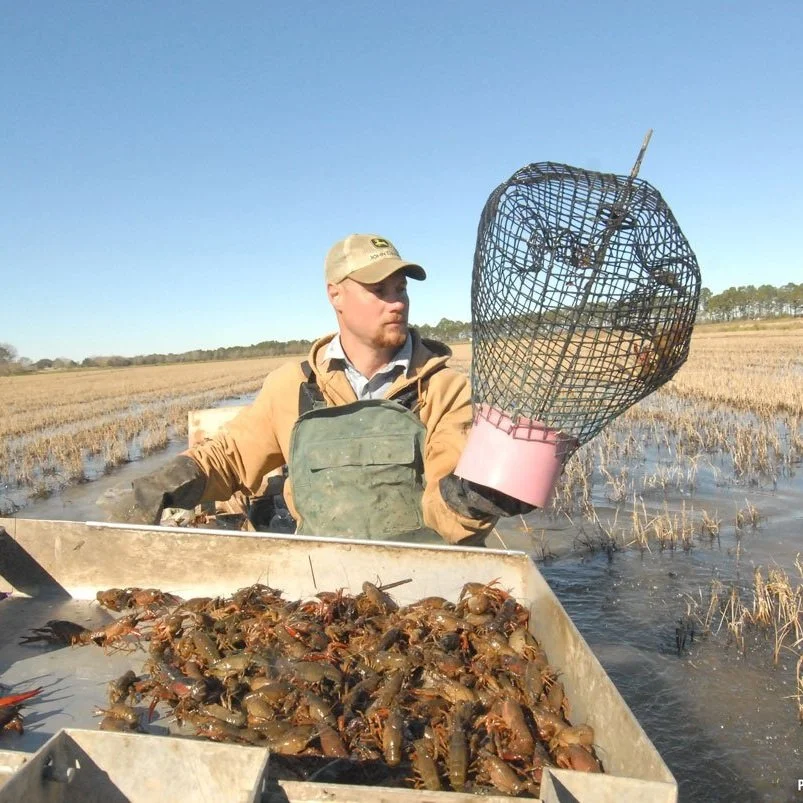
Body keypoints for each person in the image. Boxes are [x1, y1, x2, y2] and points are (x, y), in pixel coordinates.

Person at [103, 234, 531, 545]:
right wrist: (164, 484)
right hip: (318, 575)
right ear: (336, 295)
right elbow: (231, 457)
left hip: (421, 572)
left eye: (400, 288)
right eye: (378, 290)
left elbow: (443, 513)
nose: (396, 301)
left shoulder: (445, 389)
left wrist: (473, 500)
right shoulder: (293, 385)